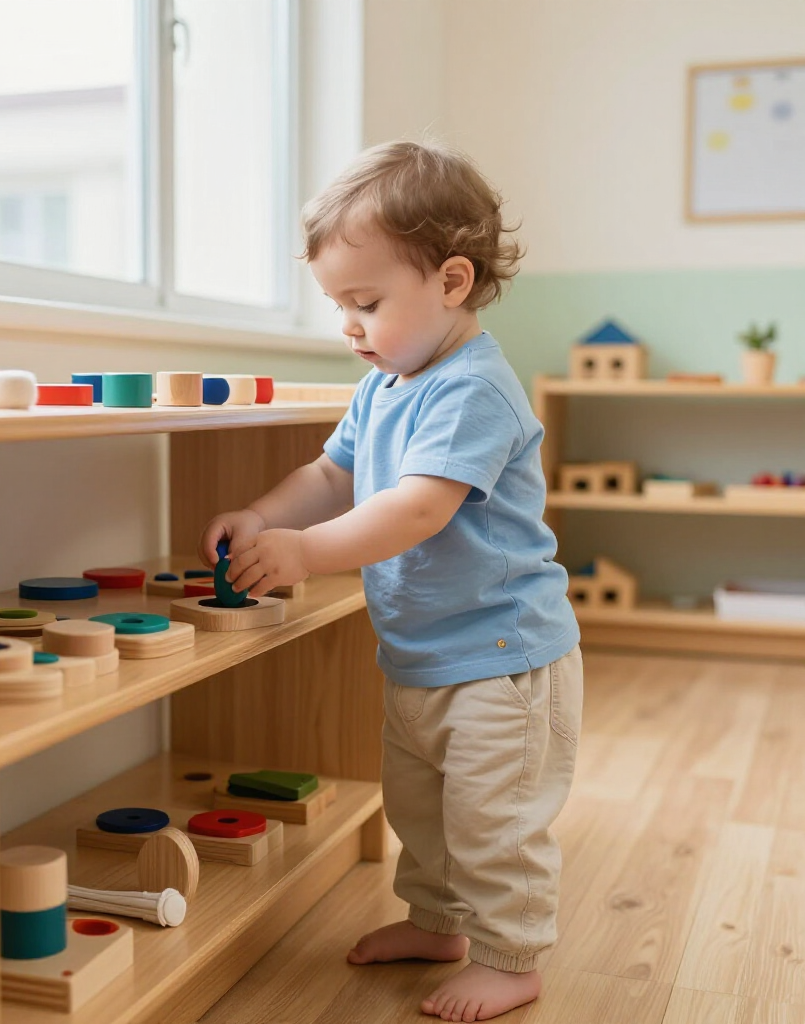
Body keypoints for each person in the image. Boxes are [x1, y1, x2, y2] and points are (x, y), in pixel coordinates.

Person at [198, 140, 582, 1023]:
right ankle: (439, 922)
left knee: (495, 820)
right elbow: (332, 474)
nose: (350, 327)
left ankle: (511, 958)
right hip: (423, 653)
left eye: (366, 303)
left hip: (503, 660)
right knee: (424, 807)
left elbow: (414, 511)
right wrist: (266, 516)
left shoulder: (472, 389)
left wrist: (306, 554)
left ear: (452, 281)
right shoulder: (384, 385)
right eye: (340, 306)